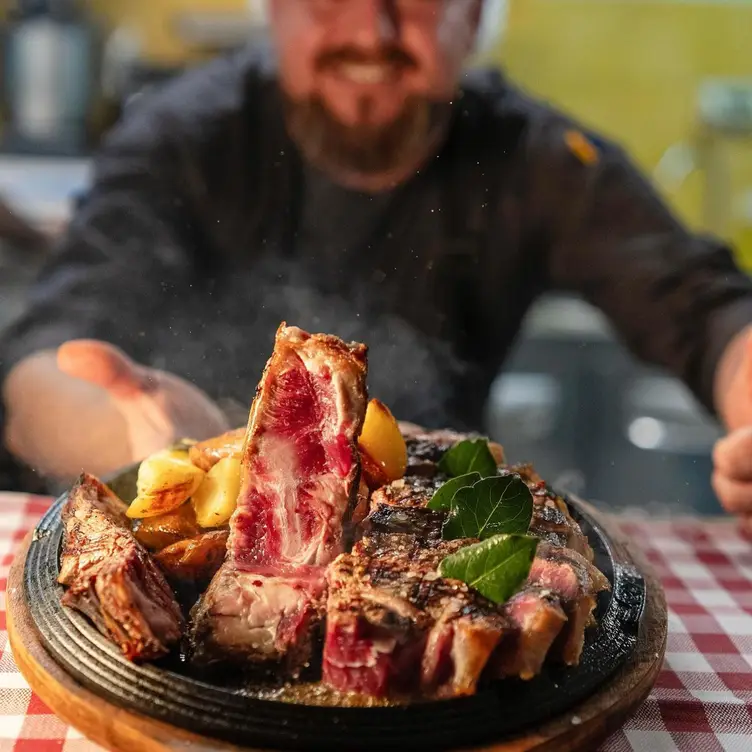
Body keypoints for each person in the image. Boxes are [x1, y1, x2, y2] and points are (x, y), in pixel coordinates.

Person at [1, 1, 752, 526]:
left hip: (436, 539)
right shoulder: (183, 140)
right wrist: (171, 448)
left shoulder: (537, 155)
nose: (371, 27)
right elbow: (34, 384)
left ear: (475, 12)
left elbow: (708, 308)